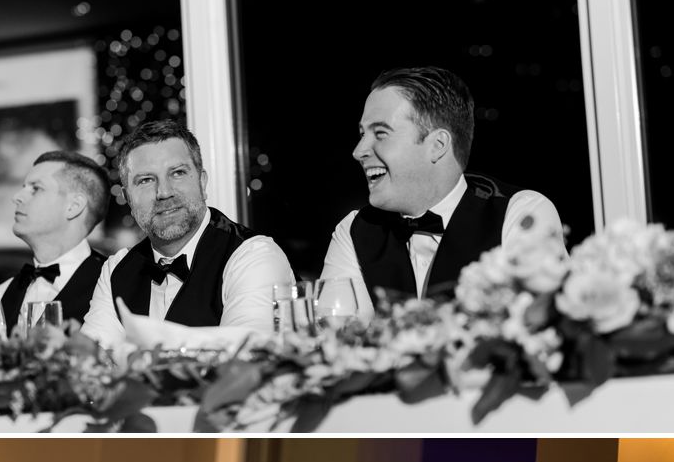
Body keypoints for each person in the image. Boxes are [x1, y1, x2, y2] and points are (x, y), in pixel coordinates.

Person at [320, 66, 565, 315]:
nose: (359, 151)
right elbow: (339, 338)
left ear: (437, 145)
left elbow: (534, 336)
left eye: (380, 133)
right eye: (362, 134)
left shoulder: (521, 214)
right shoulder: (354, 231)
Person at [82, 116, 295, 344]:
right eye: (145, 180)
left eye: (178, 173)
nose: (164, 192)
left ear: (202, 183)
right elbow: (90, 362)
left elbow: (244, 360)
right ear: (127, 198)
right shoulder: (116, 270)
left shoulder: (253, 257)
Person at [0, 151, 110, 331]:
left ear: (74, 206)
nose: (16, 197)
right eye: (24, 187)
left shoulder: (114, 285)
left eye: (36, 188)